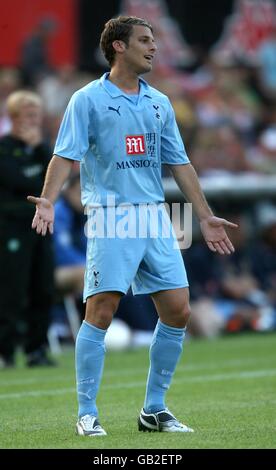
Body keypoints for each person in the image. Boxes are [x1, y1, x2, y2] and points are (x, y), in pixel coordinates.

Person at [28, 16, 237, 435]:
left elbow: (179, 162)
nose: (154, 47)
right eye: (145, 40)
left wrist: (204, 214)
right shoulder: (86, 99)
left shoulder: (159, 102)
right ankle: (87, 413)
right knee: (101, 310)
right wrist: (48, 200)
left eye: (154, 40)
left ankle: (154, 410)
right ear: (118, 47)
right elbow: (65, 156)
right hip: (110, 216)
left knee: (178, 309)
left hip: (156, 216)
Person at [0, 90, 55, 368]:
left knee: (43, 287)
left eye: (37, 115)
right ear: (14, 117)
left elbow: (54, 182)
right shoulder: (4, 148)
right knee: (12, 289)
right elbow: (22, 182)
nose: (34, 120)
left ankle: (37, 349)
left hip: (41, 228)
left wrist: (41, 150)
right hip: (12, 228)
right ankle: (5, 351)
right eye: (28, 115)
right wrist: (36, 162)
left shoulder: (44, 149)